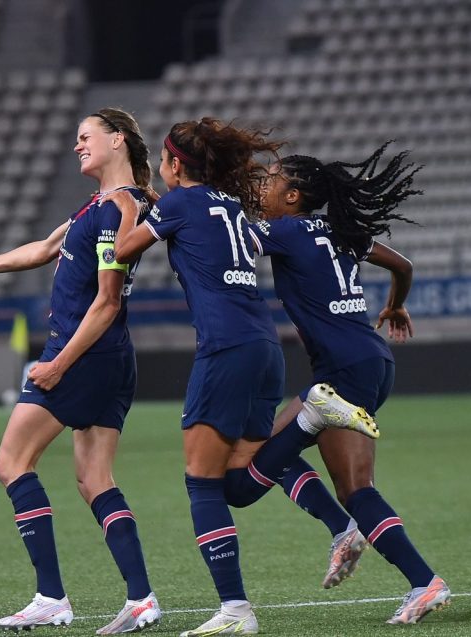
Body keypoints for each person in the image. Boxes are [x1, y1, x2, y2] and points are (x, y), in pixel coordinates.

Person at [106, 118, 378, 637]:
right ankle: (312, 444)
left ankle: (235, 610)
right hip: (263, 347)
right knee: (241, 482)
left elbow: (120, 251)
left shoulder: (179, 203)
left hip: (225, 349)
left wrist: (128, 207)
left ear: (175, 165)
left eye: (165, 164)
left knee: (201, 483)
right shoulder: (229, 205)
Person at [0, 108, 162, 635]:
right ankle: (141, 599)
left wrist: (58, 364)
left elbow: (107, 302)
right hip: (110, 358)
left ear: (118, 140)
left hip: (80, 355)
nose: (77, 146)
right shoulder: (106, 205)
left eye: (85, 137)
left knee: (12, 461)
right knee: (94, 480)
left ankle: (50, 598)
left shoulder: (117, 210)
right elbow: (45, 249)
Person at [248, 142, 451, 624]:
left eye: (272, 178)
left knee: (267, 457)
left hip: (340, 371)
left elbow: (225, 239)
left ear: (294, 195)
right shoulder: (341, 232)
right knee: (345, 483)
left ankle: (412, 574)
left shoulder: (285, 230)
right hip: (372, 361)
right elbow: (403, 266)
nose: (263, 186)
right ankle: (407, 572)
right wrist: (397, 303)